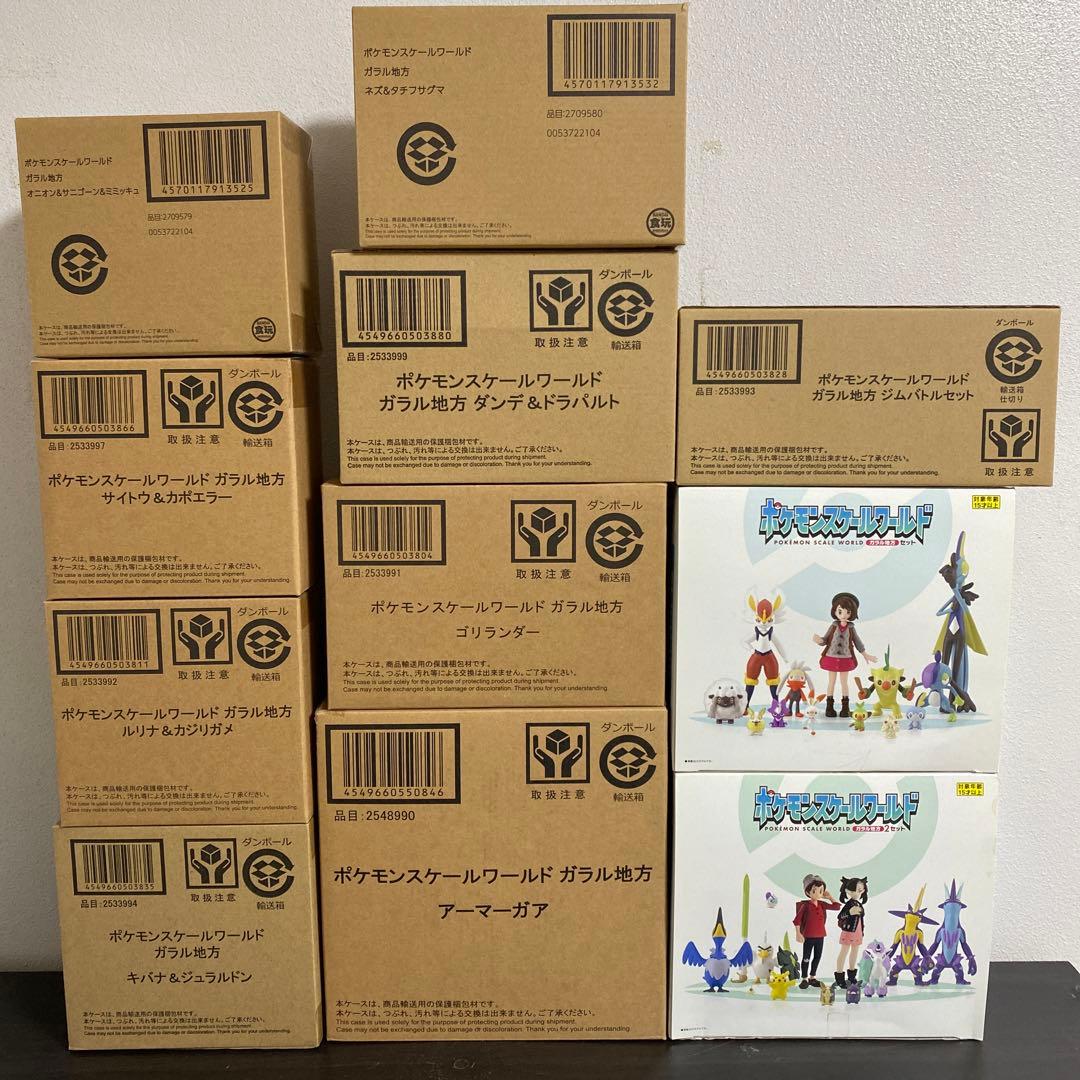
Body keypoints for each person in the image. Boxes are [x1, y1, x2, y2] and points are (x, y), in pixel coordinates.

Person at [813, 592, 877, 718]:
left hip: (845, 659)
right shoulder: (833, 626)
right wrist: (819, 640)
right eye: (840, 611)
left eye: (848, 612)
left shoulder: (851, 628)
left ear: (852, 613)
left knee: (844, 683)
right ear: (835, 611)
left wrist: (865, 654)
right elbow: (826, 639)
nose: (843, 615)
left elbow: (857, 641)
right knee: (831, 682)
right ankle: (829, 707)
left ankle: (845, 708)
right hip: (831, 657)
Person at [793, 873, 841, 988]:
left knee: (817, 957)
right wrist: (798, 933)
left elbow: (836, 907)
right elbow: (796, 921)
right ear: (808, 892)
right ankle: (804, 978)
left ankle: (812, 977)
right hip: (808, 936)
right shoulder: (805, 906)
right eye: (814, 891)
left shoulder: (822, 904)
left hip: (820, 936)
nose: (818, 893)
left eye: (820, 891)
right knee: (806, 957)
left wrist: (830, 897)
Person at [834, 876, 868, 988]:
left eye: (860, 890)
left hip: (857, 932)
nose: (857, 893)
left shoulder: (859, 904)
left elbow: (861, 919)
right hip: (849, 931)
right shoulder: (849, 904)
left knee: (854, 952)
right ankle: (840, 978)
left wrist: (862, 931)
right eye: (855, 890)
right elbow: (840, 916)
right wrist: (849, 912)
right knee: (844, 952)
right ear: (848, 891)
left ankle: (852, 978)